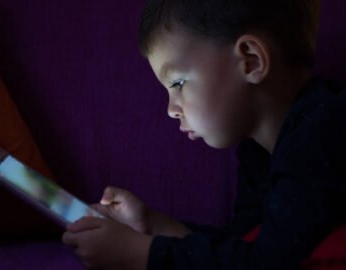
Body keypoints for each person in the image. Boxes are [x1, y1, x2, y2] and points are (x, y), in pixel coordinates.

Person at [62, 0, 346, 269]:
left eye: (178, 83)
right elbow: (241, 245)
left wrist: (139, 255)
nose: (171, 110)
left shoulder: (324, 131)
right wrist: (152, 226)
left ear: (251, 60)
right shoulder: (257, 149)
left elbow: (268, 263)